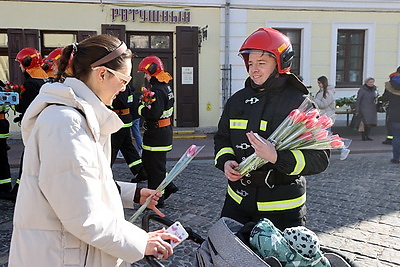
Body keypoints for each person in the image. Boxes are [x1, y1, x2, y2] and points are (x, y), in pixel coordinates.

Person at [8, 34, 179, 266]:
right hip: (62, 256)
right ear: (102, 74)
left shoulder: (75, 116)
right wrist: (140, 241)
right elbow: (82, 215)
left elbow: (77, 183)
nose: (125, 87)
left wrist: (132, 194)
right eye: (124, 79)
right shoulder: (66, 123)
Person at [214, 27, 330, 231]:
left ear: (280, 63)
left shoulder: (300, 104)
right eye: (250, 63)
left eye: (261, 63)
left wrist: (276, 157)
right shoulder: (237, 101)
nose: (253, 69)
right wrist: (225, 161)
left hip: (282, 212)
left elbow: (320, 159)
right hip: (237, 204)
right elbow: (222, 139)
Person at [136, 56, 178, 207]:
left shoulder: (158, 90)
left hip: (157, 134)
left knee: (155, 170)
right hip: (160, 133)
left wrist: (141, 107)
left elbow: (153, 114)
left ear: (152, 71)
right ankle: (169, 185)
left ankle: (157, 200)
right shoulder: (164, 86)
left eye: (146, 73)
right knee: (150, 165)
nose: (145, 76)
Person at [12, 47, 49, 197]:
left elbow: (24, 107)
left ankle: (19, 191)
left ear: (27, 63)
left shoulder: (30, 84)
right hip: (44, 124)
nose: (20, 67)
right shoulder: (46, 79)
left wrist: (14, 102)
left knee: (28, 156)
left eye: (21, 63)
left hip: (34, 126)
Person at [110, 84, 148, 181]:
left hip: (119, 120)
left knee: (112, 149)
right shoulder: (127, 87)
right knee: (127, 148)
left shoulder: (120, 87)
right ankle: (140, 170)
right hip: (124, 120)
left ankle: (105, 173)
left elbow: (121, 102)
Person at [313, 75, 350, 160]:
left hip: (326, 118)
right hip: (322, 118)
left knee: (327, 136)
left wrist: (314, 100)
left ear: (323, 83)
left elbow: (323, 104)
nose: (318, 85)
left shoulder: (328, 93)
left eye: (319, 83)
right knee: (323, 136)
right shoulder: (322, 92)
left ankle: (343, 148)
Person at [380, 68, 400, 164]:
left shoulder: (390, 86)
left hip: (394, 115)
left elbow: (384, 98)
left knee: (396, 137)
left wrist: (379, 100)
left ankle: (396, 158)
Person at [0, 80, 14, 200]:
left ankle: (3, 188)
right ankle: (5, 186)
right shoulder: (2, 86)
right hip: (3, 122)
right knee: (2, 157)